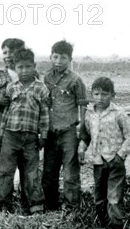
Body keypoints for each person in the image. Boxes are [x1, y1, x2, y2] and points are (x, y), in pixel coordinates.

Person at [0, 48, 49, 214]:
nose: (24, 71)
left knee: (31, 171)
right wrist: (1, 134)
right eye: (20, 67)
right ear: (15, 68)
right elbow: (5, 113)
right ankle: (3, 204)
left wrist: (44, 135)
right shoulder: (11, 87)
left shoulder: (41, 88)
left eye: (27, 67)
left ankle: (35, 204)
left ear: (34, 66)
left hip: (30, 137)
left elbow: (45, 114)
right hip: (10, 134)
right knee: (5, 170)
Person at [78, 77, 130, 229]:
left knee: (114, 197)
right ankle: (102, 222)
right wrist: (82, 149)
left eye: (104, 94)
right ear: (92, 94)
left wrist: (120, 155)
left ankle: (116, 224)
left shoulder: (118, 113)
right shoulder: (89, 113)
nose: (100, 98)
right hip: (98, 160)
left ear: (112, 95)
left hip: (115, 161)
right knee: (99, 195)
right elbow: (86, 134)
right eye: (96, 94)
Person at [42, 40, 88, 211]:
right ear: (50, 57)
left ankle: (72, 208)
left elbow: (83, 105)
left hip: (68, 131)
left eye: (63, 57)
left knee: (70, 173)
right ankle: (50, 205)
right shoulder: (46, 78)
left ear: (70, 59)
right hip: (50, 132)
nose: (58, 61)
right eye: (55, 57)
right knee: (49, 171)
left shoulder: (76, 80)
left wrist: (82, 130)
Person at [0, 38, 28, 206]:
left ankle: (27, 200)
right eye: (5, 52)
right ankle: (4, 201)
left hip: (26, 127)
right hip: (4, 127)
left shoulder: (30, 74)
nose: (8, 56)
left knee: (27, 165)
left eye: (12, 52)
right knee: (5, 164)